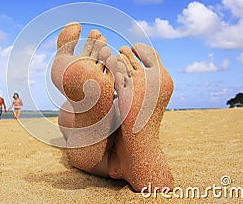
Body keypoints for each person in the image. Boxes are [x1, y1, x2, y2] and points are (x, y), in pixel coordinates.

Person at [51, 22, 174, 192]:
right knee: (119, 139)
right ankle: (131, 158)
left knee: (66, 114)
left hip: (107, 128)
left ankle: (91, 132)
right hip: (120, 116)